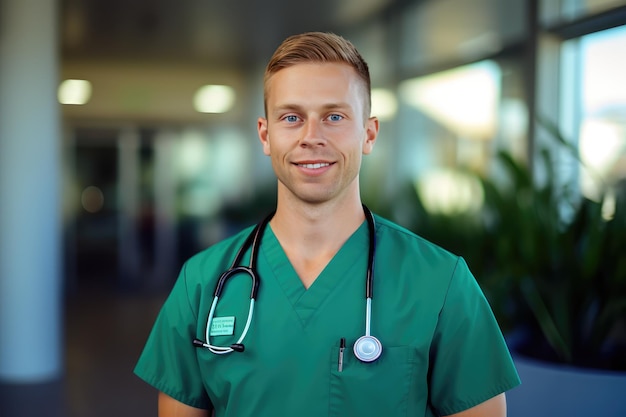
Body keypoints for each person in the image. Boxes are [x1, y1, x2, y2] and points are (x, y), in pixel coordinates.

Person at [134, 31, 521, 417]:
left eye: (334, 116)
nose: (311, 137)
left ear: (368, 134)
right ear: (265, 135)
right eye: (291, 117)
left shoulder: (440, 283)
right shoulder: (202, 283)